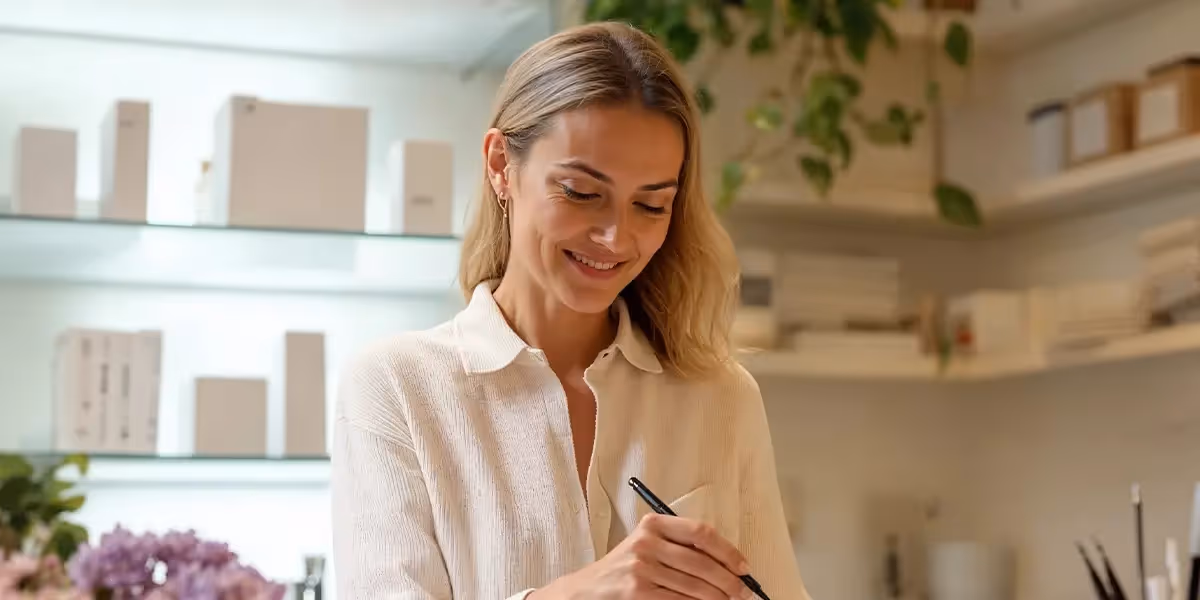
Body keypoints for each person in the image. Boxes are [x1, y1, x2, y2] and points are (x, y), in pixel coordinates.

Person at [331, 21, 812, 600]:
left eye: (651, 205)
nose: (616, 237)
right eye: (582, 193)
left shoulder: (722, 397)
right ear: (500, 166)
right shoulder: (396, 388)